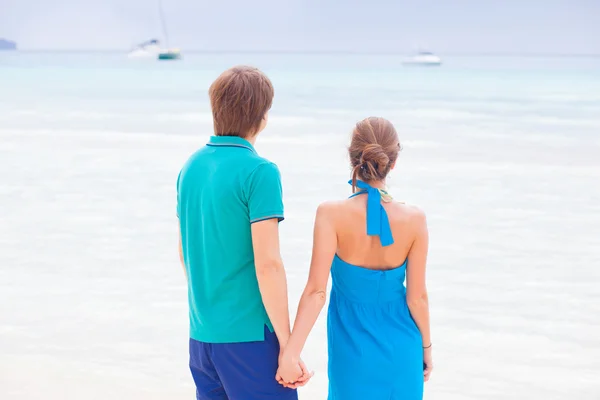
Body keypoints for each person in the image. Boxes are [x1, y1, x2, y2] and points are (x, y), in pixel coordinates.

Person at [176, 65, 310, 400]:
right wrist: (287, 345)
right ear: (262, 117)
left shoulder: (190, 167)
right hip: (250, 338)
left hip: (201, 338)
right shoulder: (260, 172)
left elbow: (185, 253)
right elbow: (269, 265)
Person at [276, 117, 433, 399]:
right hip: (403, 350)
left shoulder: (330, 214)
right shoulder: (415, 219)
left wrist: (291, 354)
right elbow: (417, 298)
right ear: (392, 163)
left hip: (351, 352)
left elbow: (316, 292)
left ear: (353, 158)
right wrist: (427, 349)